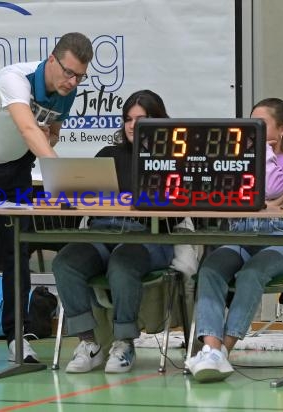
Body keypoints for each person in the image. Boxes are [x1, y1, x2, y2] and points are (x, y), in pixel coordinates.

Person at [0, 32, 93, 369]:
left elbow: (50, 131)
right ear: (52, 60)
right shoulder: (15, 79)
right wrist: (65, 180)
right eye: (68, 72)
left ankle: (18, 336)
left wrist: (51, 135)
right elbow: (28, 129)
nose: (73, 81)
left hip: (14, 167)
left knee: (17, 246)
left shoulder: (65, 91)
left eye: (80, 76)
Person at [185, 97, 283, 382]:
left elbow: (273, 186)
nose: (250, 129)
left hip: (281, 241)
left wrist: (264, 155)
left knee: (251, 274)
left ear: (282, 129)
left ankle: (222, 353)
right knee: (209, 269)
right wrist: (273, 201)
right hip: (240, 235)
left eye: (259, 124)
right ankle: (210, 350)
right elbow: (231, 194)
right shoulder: (239, 159)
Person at [51, 90, 175, 373]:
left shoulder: (171, 158)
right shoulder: (108, 154)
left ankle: (123, 343)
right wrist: (72, 197)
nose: (132, 125)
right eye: (128, 119)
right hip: (102, 232)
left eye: (141, 119)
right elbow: (88, 200)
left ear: (159, 121)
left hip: (147, 236)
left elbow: (178, 210)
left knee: (121, 264)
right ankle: (89, 343)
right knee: (65, 262)